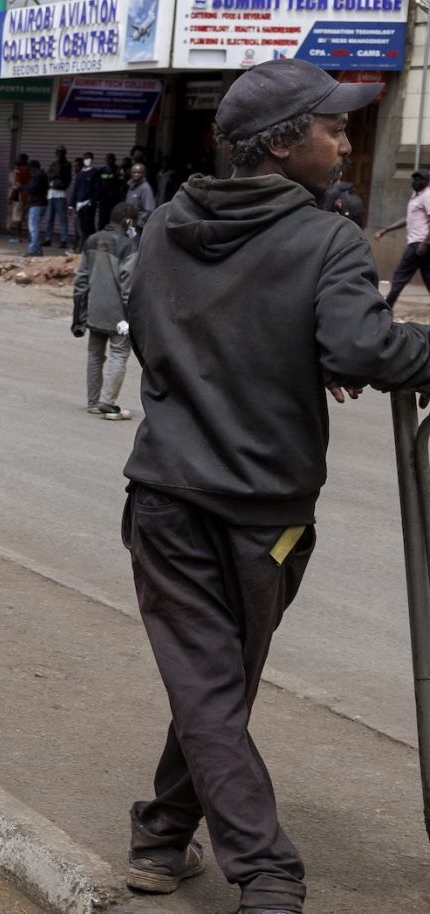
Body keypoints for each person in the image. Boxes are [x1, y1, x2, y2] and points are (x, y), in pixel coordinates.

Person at [120, 58, 430, 914]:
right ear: (287, 143)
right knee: (215, 684)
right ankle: (267, 875)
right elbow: (369, 351)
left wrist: (300, 353)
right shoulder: (325, 237)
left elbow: (148, 333)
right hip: (265, 515)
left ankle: (159, 836)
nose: (343, 140)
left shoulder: (164, 226)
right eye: (332, 127)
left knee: (211, 683)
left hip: (166, 497)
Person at [71, 202, 139, 419]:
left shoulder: (91, 240)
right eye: (133, 222)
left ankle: (92, 402)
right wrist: (132, 316)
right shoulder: (128, 245)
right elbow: (128, 284)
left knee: (94, 355)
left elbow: (81, 280)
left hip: (95, 310)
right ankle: (107, 402)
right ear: (127, 221)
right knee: (119, 353)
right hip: (119, 314)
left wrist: (79, 316)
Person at [374, 170, 430, 306]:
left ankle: (386, 309)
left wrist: (425, 243)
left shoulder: (427, 195)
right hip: (420, 244)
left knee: (400, 277)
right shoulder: (416, 195)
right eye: (415, 178)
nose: (416, 182)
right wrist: (386, 229)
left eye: (420, 179)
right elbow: (408, 218)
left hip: (419, 244)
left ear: (427, 181)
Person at [48, 153, 73, 252]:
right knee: (50, 218)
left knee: (63, 218)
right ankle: (47, 238)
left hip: (60, 194)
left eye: (61, 152)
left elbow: (64, 176)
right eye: (58, 152)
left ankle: (63, 240)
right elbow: (49, 175)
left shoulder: (67, 164)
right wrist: (55, 175)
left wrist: (57, 174)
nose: (59, 155)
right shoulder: (53, 164)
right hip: (51, 194)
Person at [25, 160, 50, 256]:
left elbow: (33, 189)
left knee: (33, 228)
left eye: (29, 168)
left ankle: (33, 250)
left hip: (37, 204)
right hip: (39, 204)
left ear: (33, 167)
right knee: (34, 227)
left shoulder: (38, 176)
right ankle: (38, 249)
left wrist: (22, 187)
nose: (28, 170)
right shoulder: (41, 175)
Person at [7, 153, 32, 243]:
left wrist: (11, 196)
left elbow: (17, 185)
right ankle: (30, 237)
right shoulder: (30, 169)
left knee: (18, 218)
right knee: (29, 218)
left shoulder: (19, 170)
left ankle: (19, 237)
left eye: (18, 158)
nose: (16, 160)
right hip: (30, 195)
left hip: (20, 196)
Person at [125, 163, 157, 229]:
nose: (136, 174)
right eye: (134, 172)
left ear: (144, 173)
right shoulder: (131, 187)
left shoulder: (145, 188)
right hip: (129, 224)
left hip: (138, 226)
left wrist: (137, 222)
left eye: (139, 172)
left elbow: (149, 210)